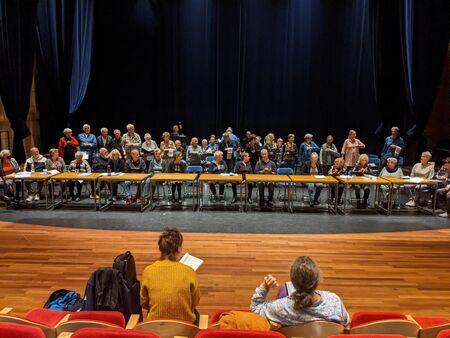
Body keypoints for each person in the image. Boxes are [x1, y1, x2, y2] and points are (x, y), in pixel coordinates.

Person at [250, 256, 349, 326]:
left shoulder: (282, 308)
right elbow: (346, 323)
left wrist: (265, 286)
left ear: (293, 283)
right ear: (317, 280)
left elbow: (255, 309)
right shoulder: (334, 301)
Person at [140, 228, 200, 324]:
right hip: (184, 327)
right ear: (179, 248)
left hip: (155, 325)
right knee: (196, 313)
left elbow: (144, 303)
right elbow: (195, 301)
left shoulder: (148, 271)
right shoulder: (189, 271)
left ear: (160, 248)